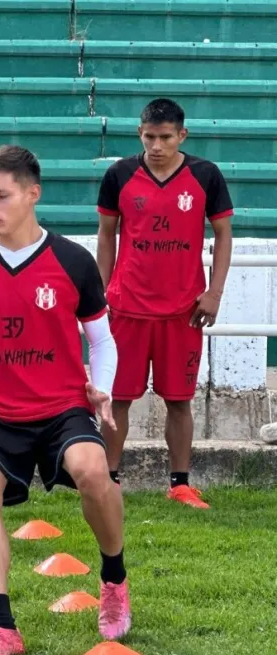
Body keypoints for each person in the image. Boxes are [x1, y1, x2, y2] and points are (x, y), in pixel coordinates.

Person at [0, 145, 129, 655]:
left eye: (1, 195)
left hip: (63, 405)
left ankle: (114, 578)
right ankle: (2, 629)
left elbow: (102, 341)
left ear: (31, 194)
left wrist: (102, 388)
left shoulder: (72, 261)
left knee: (94, 470)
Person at [96, 98, 233, 509]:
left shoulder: (205, 175)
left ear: (182, 136)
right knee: (117, 399)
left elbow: (224, 234)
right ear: (140, 133)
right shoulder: (119, 174)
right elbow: (107, 235)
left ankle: (179, 484)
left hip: (183, 310)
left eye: (165, 137)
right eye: (149, 136)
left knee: (179, 400)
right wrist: (99, 296)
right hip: (127, 308)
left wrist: (214, 292)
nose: (156, 145)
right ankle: (109, 481)